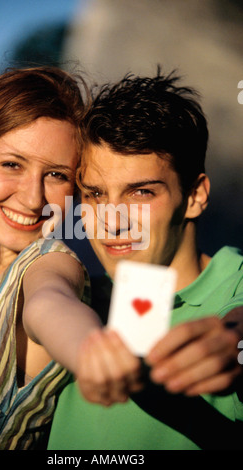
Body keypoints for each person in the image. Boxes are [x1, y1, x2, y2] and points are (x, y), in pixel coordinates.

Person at [0, 66, 143, 450]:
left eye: (56, 174)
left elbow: (50, 303)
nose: (34, 198)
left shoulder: (48, 259)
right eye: (12, 165)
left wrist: (91, 351)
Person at [47, 70, 243, 450]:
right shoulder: (78, 293)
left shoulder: (234, 285)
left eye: (140, 193)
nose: (112, 222)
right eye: (95, 195)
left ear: (196, 195)